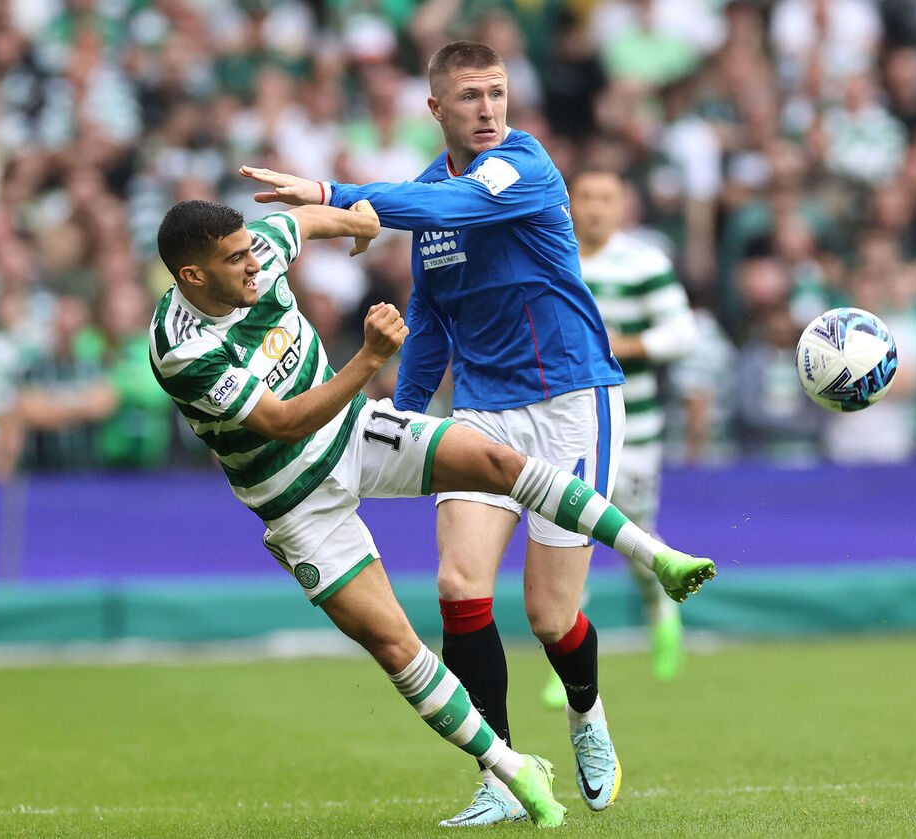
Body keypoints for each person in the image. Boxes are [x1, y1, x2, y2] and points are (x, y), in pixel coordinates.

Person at [240, 40, 715, 825]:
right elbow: (430, 312)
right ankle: (501, 770)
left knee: (550, 616)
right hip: (485, 409)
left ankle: (587, 717)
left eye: (496, 92)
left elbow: (451, 209)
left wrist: (332, 191)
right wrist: (408, 411)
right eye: (470, 97)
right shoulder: (428, 189)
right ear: (436, 108)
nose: (488, 108)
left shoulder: (525, 166)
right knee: (461, 587)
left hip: (571, 399)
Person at [150, 198, 714, 828]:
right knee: (395, 646)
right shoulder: (183, 351)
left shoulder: (259, 249)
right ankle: (510, 770)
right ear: (193, 277)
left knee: (498, 465)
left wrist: (360, 225)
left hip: (354, 431)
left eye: (250, 249)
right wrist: (368, 359)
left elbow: (303, 220)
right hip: (295, 499)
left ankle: (657, 557)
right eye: (235, 260)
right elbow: (281, 425)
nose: (253, 264)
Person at [562, 167, 700, 690]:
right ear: (571, 203)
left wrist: (626, 344)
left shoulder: (643, 264)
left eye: (606, 198)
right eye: (586, 197)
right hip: (568, 425)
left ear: (622, 208)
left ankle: (660, 612)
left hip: (634, 427)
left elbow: (683, 333)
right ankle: (567, 646)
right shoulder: (554, 257)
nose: (595, 207)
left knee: (632, 533)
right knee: (568, 530)